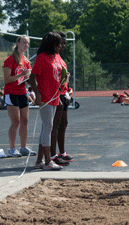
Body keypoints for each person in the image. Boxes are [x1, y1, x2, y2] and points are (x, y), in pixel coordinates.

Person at [29, 32, 64, 171]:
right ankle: (48, 161)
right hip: (45, 98)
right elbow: (32, 78)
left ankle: (39, 161)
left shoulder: (56, 57)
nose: (61, 46)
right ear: (51, 44)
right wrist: (37, 93)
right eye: (58, 44)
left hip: (54, 97)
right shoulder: (41, 58)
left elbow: (60, 71)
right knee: (48, 127)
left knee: (46, 128)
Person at [3, 35, 36, 157]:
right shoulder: (10, 60)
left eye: (27, 43)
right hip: (11, 93)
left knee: (25, 120)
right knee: (15, 121)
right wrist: (21, 74)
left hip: (22, 92)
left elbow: (27, 79)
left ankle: (23, 147)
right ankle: (12, 148)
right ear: (17, 43)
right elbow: (6, 80)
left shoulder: (26, 61)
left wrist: (29, 79)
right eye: (23, 42)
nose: (26, 45)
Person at [50, 31, 73, 166]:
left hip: (63, 94)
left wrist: (68, 92)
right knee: (55, 125)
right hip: (55, 95)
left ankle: (62, 152)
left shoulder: (59, 57)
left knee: (63, 124)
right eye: (61, 43)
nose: (63, 46)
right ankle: (53, 155)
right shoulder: (51, 57)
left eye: (64, 43)